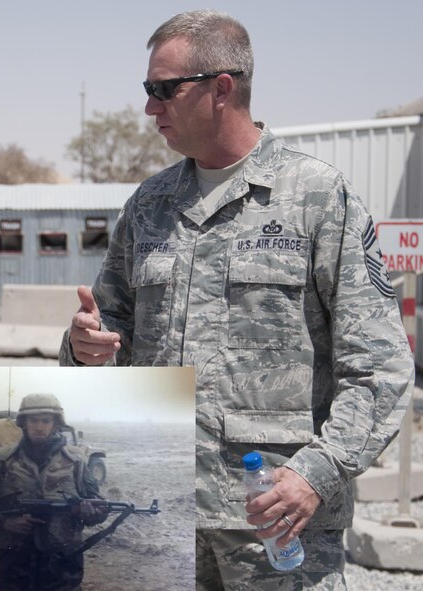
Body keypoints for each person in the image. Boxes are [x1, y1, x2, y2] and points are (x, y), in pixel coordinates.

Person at [60, 10, 414, 590]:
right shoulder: (149, 206)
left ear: (221, 88)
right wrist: (83, 350)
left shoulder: (318, 199)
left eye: (162, 90)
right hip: (160, 513)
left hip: (274, 523)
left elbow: (379, 367)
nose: (150, 107)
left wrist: (314, 476)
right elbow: (105, 334)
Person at [0, 393, 107, 591]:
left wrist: (91, 512)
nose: (39, 426)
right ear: (23, 423)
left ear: (55, 423)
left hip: (61, 567)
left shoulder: (75, 462)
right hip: (13, 564)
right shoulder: (3, 461)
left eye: (45, 421)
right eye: (33, 420)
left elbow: (97, 507)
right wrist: (3, 523)